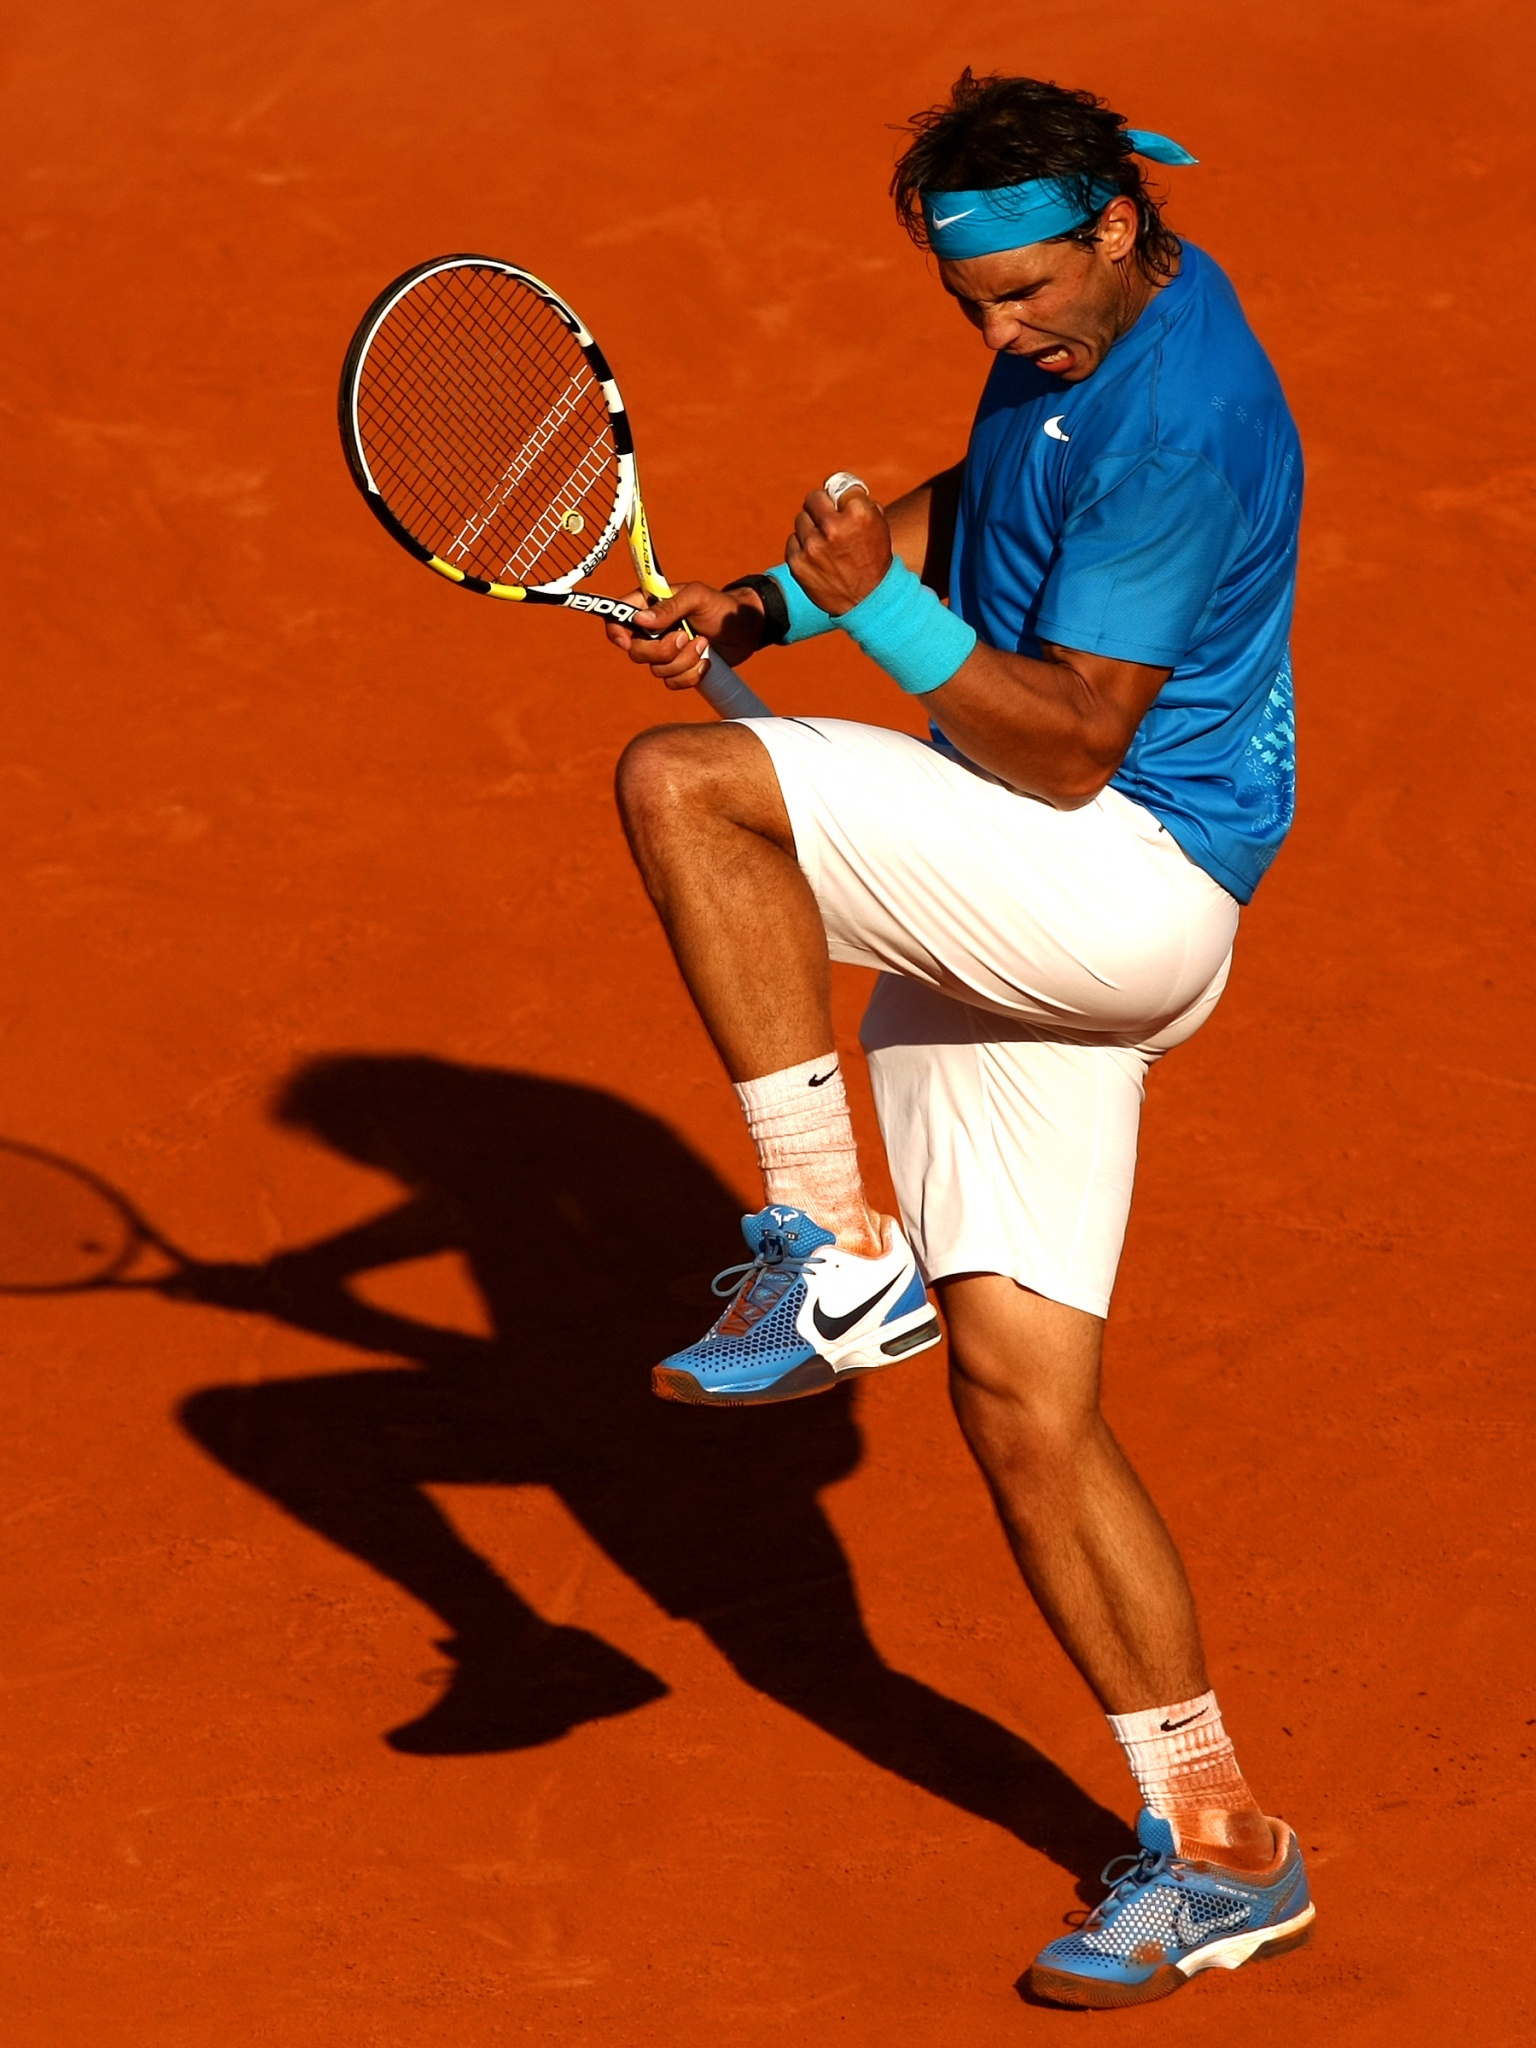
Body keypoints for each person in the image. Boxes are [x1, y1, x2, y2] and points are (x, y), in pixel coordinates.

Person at [605, 70, 1311, 2009]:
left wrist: (886, 625)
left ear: (1108, 226)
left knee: (691, 785)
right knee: (1021, 1401)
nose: (1001, 330)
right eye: (969, 302)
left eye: (1022, 295)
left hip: (1109, 874)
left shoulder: (1183, 414)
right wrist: (779, 597)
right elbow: (988, 490)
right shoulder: (1103, 312)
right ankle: (1224, 1840)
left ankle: (830, 1248)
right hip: (1040, 899)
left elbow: (1069, 735)